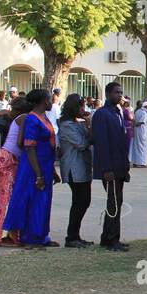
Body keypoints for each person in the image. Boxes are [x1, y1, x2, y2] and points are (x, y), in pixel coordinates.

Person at [2, 88, 59, 248]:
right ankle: (28, 237)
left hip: (46, 165)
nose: (51, 102)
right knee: (31, 200)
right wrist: (39, 174)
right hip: (33, 166)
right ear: (42, 101)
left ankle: (41, 235)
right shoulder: (32, 120)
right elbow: (29, 147)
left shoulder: (44, 117)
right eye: (48, 99)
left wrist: (52, 170)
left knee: (43, 201)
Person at [91, 81, 131, 251]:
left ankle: (110, 236)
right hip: (110, 168)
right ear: (108, 94)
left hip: (119, 166)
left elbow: (121, 142)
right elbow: (102, 144)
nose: (119, 95)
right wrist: (106, 169)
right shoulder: (102, 114)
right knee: (113, 203)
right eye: (116, 92)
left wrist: (125, 166)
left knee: (117, 202)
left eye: (121, 92)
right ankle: (110, 239)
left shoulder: (118, 112)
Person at [57, 94, 93, 248]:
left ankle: (75, 235)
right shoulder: (66, 126)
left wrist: (87, 125)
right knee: (80, 201)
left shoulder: (77, 124)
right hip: (74, 168)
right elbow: (82, 143)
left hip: (83, 168)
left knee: (84, 201)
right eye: (81, 107)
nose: (83, 110)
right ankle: (71, 237)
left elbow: (90, 138)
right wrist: (89, 125)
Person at [0, 97, 28, 246]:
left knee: (5, 197)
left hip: (4, 158)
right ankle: (3, 234)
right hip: (8, 159)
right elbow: (20, 142)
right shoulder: (23, 118)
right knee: (6, 198)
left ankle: (2, 233)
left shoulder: (16, 119)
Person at [131, 100, 147, 167]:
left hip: (137, 131)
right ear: (146, 106)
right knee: (143, 148)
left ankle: (136, 162)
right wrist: (135, 124)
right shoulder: (144, 113)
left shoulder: (137, 111)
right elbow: (141, 122)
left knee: (137, 147)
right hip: (142, 132)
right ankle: (141, 163)